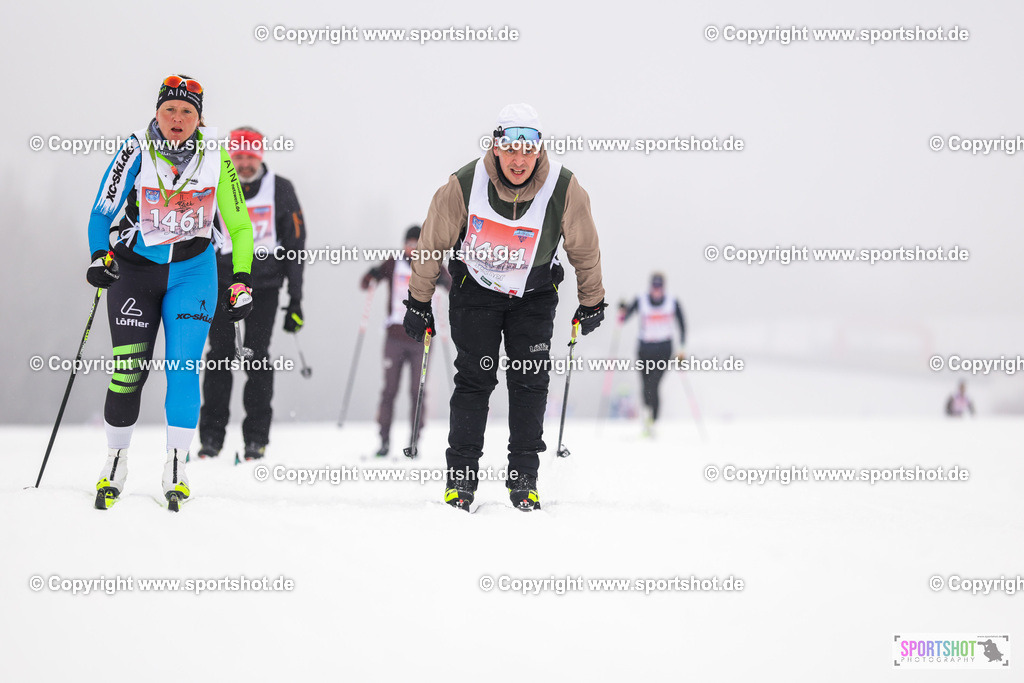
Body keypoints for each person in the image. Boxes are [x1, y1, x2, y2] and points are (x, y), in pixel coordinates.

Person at [406, 103, 606, 511]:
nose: (519, 160)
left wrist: (592, 300)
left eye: (527, 150)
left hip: (532, 297)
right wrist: (418, 300)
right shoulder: (463, 184)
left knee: (530, 381)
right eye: (510, 149)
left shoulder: (564, 189)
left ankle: (523, 479)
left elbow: (583, 248)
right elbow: (431, 244)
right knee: (475, 381)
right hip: (475, 292)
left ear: (539, 150)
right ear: (496, 149)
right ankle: (460, 481)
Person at [87, 75, 254, 510]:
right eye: (169, 110)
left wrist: (241, 278)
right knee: (128, 371)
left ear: (199, 119)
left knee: (182, 368)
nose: (177, 119)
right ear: (157, 112)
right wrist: (98, 255)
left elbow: (238, 224)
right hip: (134, 273)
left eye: (187, 112)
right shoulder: (135, 149)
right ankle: (116, 460)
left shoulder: (215, 155)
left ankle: (177, 463)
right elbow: (101, 211)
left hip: (192, 274)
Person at [198, 127, 307, 461]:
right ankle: (212, 438)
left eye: (250, 157)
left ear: (260, 157)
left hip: (264, 285)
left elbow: (295, 244)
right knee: (219, 355)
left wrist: (296, 299)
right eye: (238, 156)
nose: (244, 164)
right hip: (220, 281)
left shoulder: (281, 189)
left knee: (257, 355)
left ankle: (256, 439)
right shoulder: (216, 182)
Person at [361, 226, 451, 456]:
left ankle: (414, 441)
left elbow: (452, 285)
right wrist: (371, 274)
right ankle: (384, 441)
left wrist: (443, 280)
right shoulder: (393, 264)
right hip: (394, 337)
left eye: (416, 244)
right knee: (389, 390)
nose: (412, 249)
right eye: (408, 244)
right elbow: (366, 282)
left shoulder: (432, 264)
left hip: (422, 339)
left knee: (417, 391)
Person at [619, 273, 686, 436]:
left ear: (663, 287)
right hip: (645, 349)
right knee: (645, 384)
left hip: (664, 349)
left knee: (654, 384)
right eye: (654, 287)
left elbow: (682, 325)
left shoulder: (672, 302)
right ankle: (647, 417)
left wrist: (682, 349)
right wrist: (622, 309)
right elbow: (624, 317)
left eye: (659, 287)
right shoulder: (641, 299)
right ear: (651, 287)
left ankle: (653, 419)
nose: (656, 290)